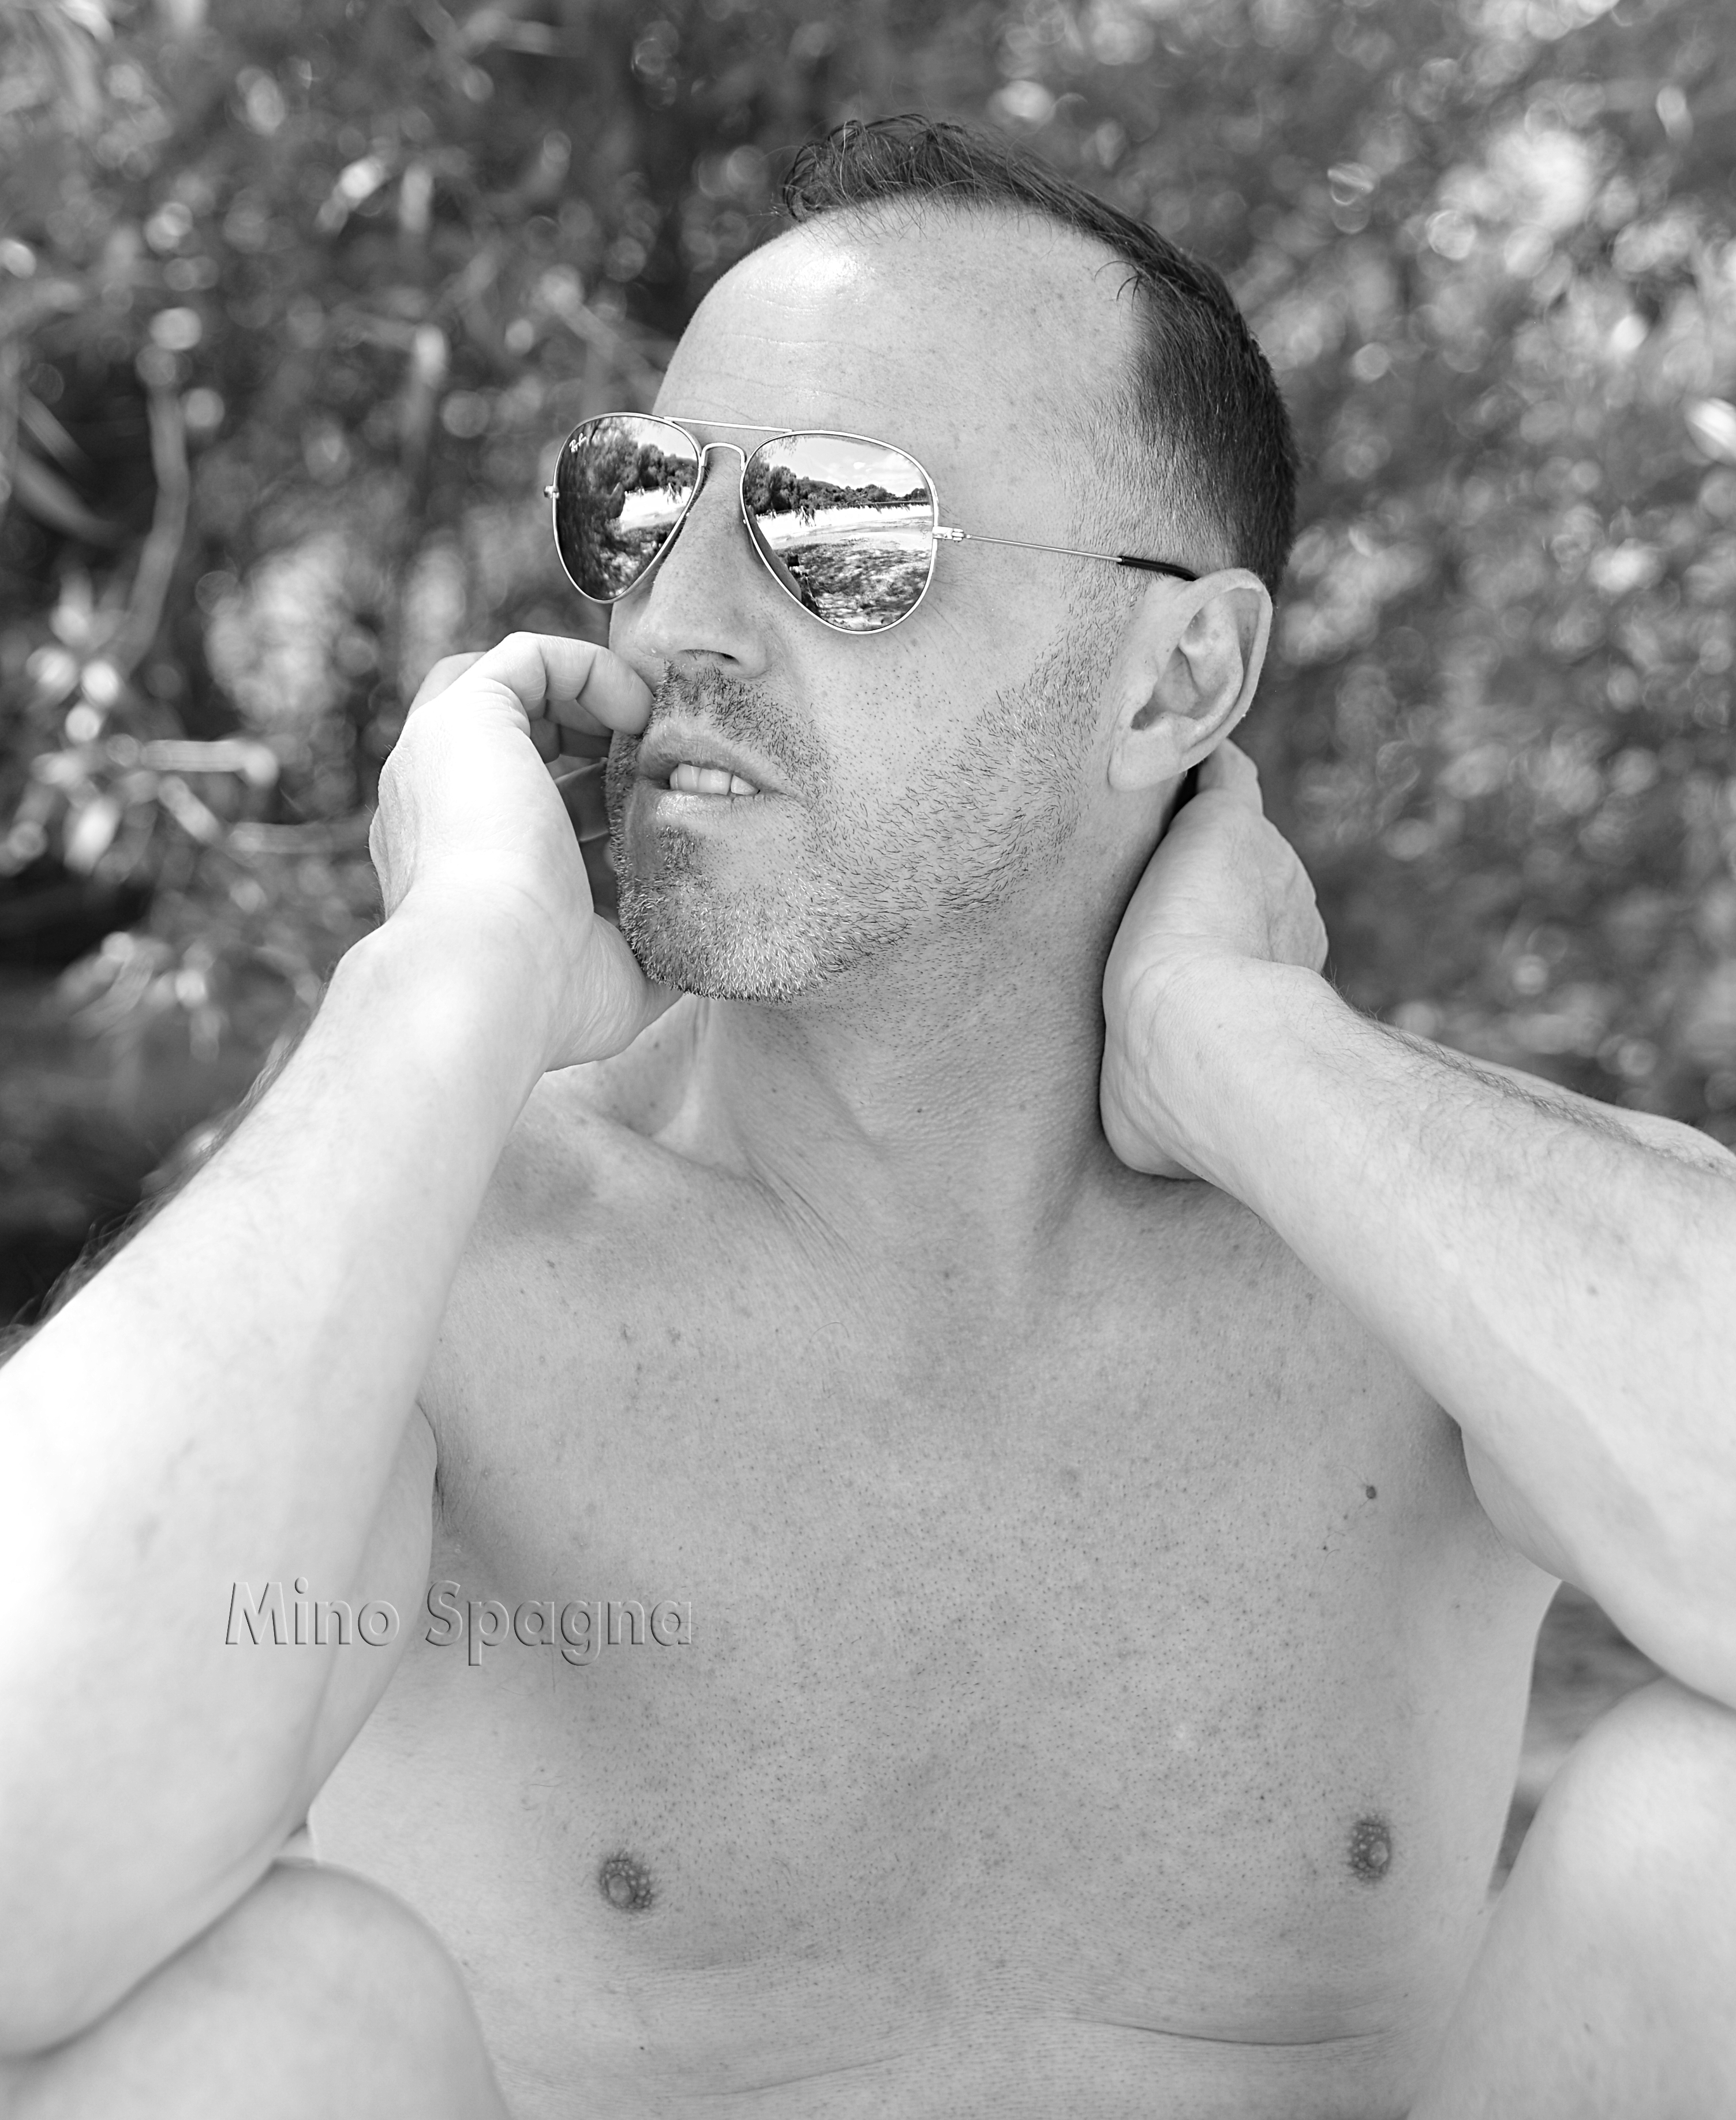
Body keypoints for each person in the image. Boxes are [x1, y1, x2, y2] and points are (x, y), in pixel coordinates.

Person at [1, 118, 1732, 2120]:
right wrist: (452, 974)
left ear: (1176, 681)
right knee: (245, 2028)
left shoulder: (1409, 1247)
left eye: (837, 527)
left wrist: (1240, 1046)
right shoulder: (443, 1259)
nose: (678, 622)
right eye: (645, 504)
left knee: (1707, 1850)